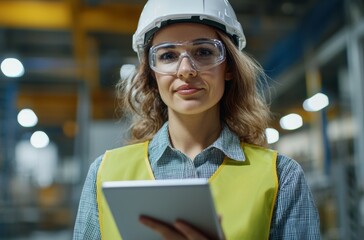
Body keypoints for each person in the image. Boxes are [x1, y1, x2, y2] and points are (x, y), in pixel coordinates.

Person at [73, 0, 321, 239]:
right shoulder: (104, 173)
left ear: (230, 68)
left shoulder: (281, 177)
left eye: (203, 52)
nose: (185, 70)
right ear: (151, 74)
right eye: (168, 56)